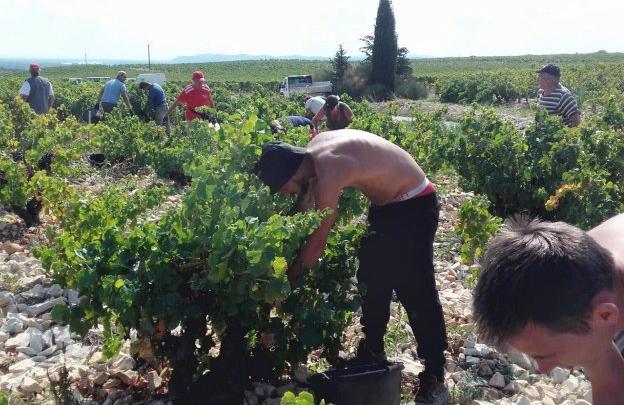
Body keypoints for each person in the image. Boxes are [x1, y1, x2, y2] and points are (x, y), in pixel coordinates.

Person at [253, 130, 450, 404]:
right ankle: (372, 350)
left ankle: (435, 373)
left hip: (415, 202)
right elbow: (304, 202)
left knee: (415, 287)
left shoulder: (328, 172)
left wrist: (288, 283)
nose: (282, 194)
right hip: (386, 205)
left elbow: (318, 242)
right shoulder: (312, 155)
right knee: (371, 277)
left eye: (282, 187)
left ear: (293, 174)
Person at [473, 213, 624, 404]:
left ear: (605, 315)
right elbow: (610, 384)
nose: (543, 368)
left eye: (548, 355)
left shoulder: (590, 300)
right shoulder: (578, 272)